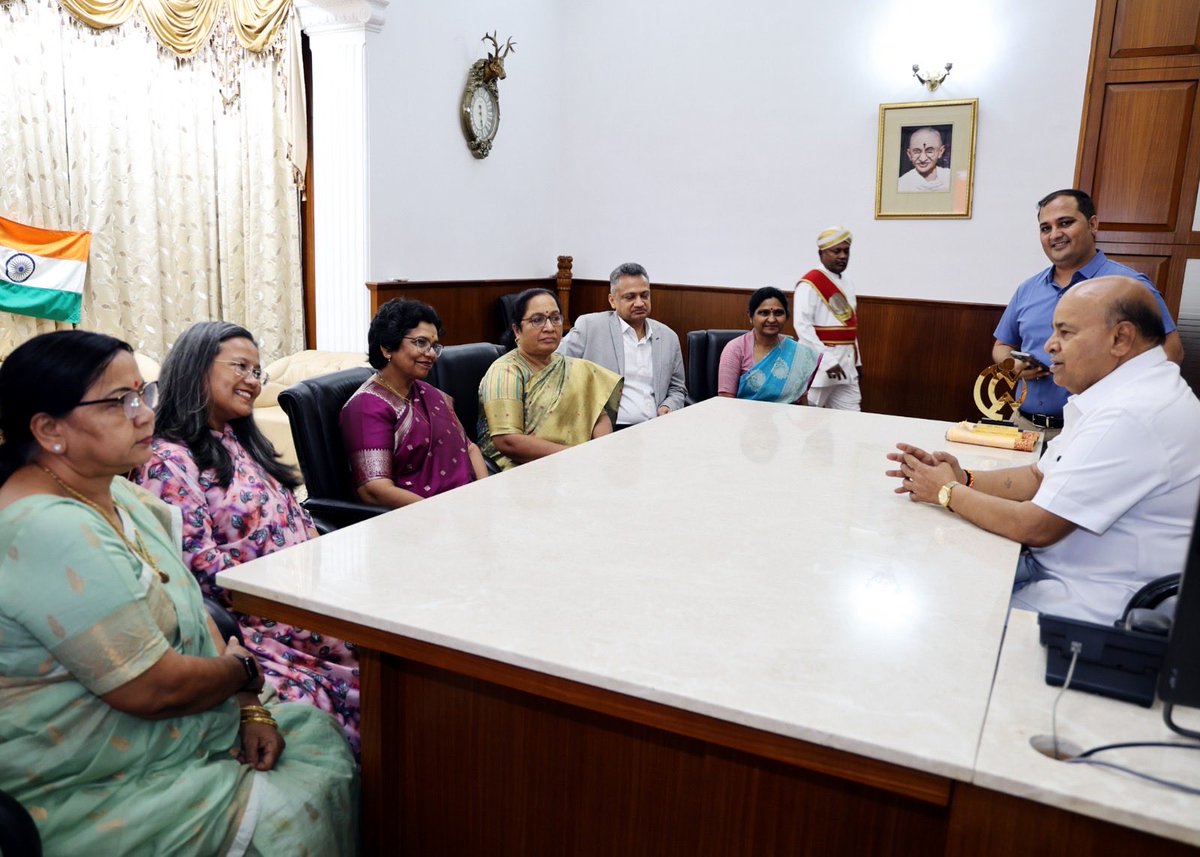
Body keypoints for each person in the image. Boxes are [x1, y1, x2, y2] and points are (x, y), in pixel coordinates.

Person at [0, 330, 356, 855]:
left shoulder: (116, 490)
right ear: (50, 429)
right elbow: (152, 691)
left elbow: (188, 599)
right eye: (121, 402)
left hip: (197, 707)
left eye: (144, 394)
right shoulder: (46, 528)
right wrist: (244, 672)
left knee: (318, 729)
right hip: (96, 779)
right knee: (304, 794)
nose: (144, 413)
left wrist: (247, 703)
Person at [889, 277, 1200, 624]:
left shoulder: (1132, 413)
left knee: (935, 607)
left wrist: (946, 491)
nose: (1049, 345)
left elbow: (1036, 527)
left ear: (1120, 338)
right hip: (1062, 572)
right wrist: (965, 477)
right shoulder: (1129, 392)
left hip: (1088, 604)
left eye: (1065, 333)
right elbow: (1039, 475)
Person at [132, 322, 361, 754]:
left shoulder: (239, 440)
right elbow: (193, 573)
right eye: (241, 367)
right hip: (256, 623)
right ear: (196, 368)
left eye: (258, 372)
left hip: (309, 600)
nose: (253, 382)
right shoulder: (168, 460)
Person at [993, 188, 1183, 439]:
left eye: (1065, 223)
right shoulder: (1028, 289)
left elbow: (1171, 353)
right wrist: (1014, 365)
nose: (1055, 235)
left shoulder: (1129, 285)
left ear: (1093, 224)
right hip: (1023, 426)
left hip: (1094, 431)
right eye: (1045, 228)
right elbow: (1002, 345)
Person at [341, 299, 488, 506]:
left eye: (434, 346)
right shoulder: (366, 407)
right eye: (420, 343)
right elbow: (374, 488)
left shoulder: (432, 394)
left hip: (467, 505)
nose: (430, 354)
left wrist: (486, 495)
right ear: (386, 348)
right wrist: (438, 512)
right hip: (420, 519)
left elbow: (470, 448)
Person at [478, 288, 623, 470]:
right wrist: (576, 457)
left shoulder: (576, 368)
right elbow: (507, 441)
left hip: (580, 464)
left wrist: (600, 452)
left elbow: (598, 416)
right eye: (537, 320)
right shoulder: (506, 372)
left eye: (555, 318)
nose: (549, 327)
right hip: (520, 470)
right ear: (517, 330)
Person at [556, 262, 687, 428]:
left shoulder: (668, 337)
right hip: (605, 430)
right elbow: (555, 369)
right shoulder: (590, 327)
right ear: (612, 300)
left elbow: (677, 388)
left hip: (657, 427)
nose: (639, 303)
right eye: (630, 297)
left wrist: (669, 406)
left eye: (644, 295)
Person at [793, 227, 863, 410]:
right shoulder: (809, 284)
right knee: (808, 420)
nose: (842, 256)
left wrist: (858, 361)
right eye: (836, 251)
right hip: (820, 366)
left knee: (852, 419)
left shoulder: (848, 282)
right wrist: (827, 362)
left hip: (847, 365)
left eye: (846, 251)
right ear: (821, 253)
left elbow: (849, 326)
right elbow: (803, 328)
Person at [718, 287, 821, 403]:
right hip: (745, 417)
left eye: (778, 313)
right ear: (751, 317)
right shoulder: (735, 349)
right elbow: (726, 401)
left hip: (787, 418)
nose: (772, 319)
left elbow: (801, 400)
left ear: (786, 316)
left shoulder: (798, 353)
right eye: (764, 313)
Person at [897, 127, 950, 192]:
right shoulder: (902, 185)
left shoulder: (950, 178)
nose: (923, 159)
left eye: (929, 151)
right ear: (909, 154)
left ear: (940, 152)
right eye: (916, 152)